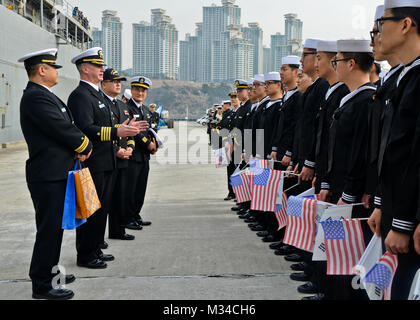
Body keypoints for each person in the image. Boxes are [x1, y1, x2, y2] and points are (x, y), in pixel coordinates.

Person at [19, 48, 93, 300]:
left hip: (56, 173)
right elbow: (61, 129)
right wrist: (85, 145)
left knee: (55, 229)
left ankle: (50, 273)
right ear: (41, 70)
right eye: (53, 67)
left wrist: (77, 148)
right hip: (48, 175)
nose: (56, 72)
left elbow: (64, 128)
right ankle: (42, 285)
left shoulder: (44, 95)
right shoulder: (36, 98)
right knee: (49, 230)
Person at [68, 48, 147, 269]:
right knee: (91, 211)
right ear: (85, 69)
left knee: (100, 209)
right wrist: (117, 132)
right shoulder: (81, 95)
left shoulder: (97, 96)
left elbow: (109, 126)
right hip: (94, 163)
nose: (102, 69)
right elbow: (85, 128)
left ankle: (95, 249)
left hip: (107, 161)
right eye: (97, 66)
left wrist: (124, 132)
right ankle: (85, 254)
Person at [369, 0, 420, 300]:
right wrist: (380, 204)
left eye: (381, 25)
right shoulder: (405, 77)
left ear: (405, 25)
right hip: (397, 213)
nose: (376, 34)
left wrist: (405, 222)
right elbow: (392, 153)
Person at [320, 39, 376, 300]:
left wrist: (350, 193)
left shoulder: (366, 100)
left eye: (337, 61)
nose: (335, 66)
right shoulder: (351, 98)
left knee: (351, 253)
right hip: (341, 188)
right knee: (336, 249)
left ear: (351, 64)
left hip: (351, 195)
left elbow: (360, 154)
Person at [303, 40, 350, 300]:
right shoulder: (331, 90)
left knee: (337, 240)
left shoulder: (344, 92)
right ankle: (322, 283)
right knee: (324, 233)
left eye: (319, 57)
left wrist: (328, 181)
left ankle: (328, 288)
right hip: (326, 175)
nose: (316, 63)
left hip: (338, 181)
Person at [100, 68, 136, 242]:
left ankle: (118, 230)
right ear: (103, 83)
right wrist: (116, 151)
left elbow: (127, 131)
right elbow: (100, 134)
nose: (118, 84)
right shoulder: (101, 102)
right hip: (108, 158)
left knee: (120, 197)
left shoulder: (122, 105)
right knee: (105, 201)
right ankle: (99, 239)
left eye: (119, 82)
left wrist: (129, 148)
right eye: (114, 81)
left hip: (124, 159)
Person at [124, 76, 155, 231]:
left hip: (144, 156)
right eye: (137, 89)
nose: (140, 93)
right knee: (130, 189)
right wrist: (148, 143)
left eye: (143, 90)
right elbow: (133, 131)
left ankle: (136, 214)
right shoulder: (127, 108)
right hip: (133, 154)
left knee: (140, 188)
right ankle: (128, 218)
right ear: (132, 90)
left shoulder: (145, 109)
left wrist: (154, 142)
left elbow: (149, 131)